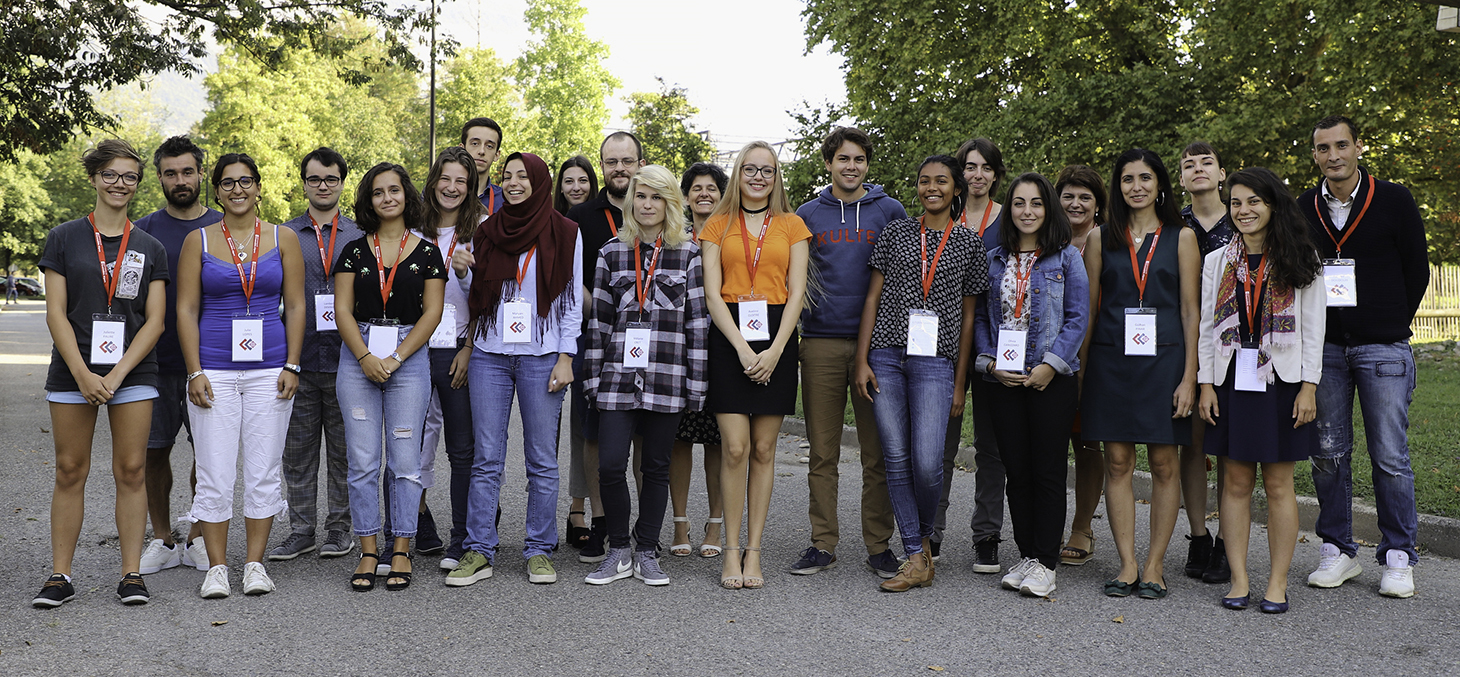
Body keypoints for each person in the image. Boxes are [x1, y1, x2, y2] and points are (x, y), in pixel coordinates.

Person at [33, 139, 169, 608]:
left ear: (136, 185)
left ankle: (131, 574)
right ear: (93, 178)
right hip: (74, 371)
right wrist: (84, 373)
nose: (120, 184)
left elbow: (155, 320)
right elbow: (55, 313)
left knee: (131, 470)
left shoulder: (149, 246)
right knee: (70, 470)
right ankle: (60, 576)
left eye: (130, 176)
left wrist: (115, 375)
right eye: (110, 174)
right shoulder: (64, 237)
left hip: (133, 373)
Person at [1299, 115, 1429, 598]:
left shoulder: (1393, 199)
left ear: (1358, 148)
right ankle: (1338, 550)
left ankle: (1398, 555)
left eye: (1341, 145)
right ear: (1314, 155)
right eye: (1322, 148)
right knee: (1328, 453)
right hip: (1326, 349)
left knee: (1389, 455)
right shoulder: (1303, 207)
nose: (1333, 155)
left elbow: (1417, 268)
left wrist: (1389, 320)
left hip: (1382, 345)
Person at [446, 152, 581, 587]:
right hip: (489, 353)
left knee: (542, 459)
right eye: (508, 176)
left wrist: (566, 355)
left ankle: (539, 548)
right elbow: (477, 295)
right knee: (487, 458)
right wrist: (464, 274)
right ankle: (479, 549)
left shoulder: (566, 232)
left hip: (542, 355)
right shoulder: (487, 231)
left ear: (540, 181)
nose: (515, 182)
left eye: (524, 176)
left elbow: (573, 303)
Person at [854, 154, 987, 592]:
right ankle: (915, 554)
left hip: (936, 361)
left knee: (928, 463)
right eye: (925, 180)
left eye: (942, 181)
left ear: (956, 188)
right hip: (887, 355)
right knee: (896, 458)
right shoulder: (896, 233)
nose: (932, 187)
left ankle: (923, 540)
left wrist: (960, 382)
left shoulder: (969, 243)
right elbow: (872, 298)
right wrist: (862, 359)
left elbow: (969, 319)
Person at [176, 153, 305, 598]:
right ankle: (216, 568)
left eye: (245, 181)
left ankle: (254, 563)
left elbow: (298, 305)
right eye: (228, 183)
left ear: (258, 187)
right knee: (213, 469)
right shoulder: (201, 241)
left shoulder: (283, 238)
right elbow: (186, 309)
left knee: (264, 469)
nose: (237, 190)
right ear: (217, 191)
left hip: (271, 369)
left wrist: (292, 363)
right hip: (214, 369)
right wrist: (194, 370)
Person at [1198, 167, 1325, 614]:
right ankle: (1239, 578)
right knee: (1234, 480)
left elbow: (1314, 329)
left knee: (1277, 483)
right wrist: (1206, 384)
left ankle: (1276, 582)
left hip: (1282, 382)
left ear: (1272, 205)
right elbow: (1207, 327)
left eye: (1253, 201)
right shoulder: (1218, 261)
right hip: (1233, 378)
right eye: (1235, 202)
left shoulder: (1300, 257)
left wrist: (1309, 386)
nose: (1244, 210)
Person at [1080, 149, 1200, 600]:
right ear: (1118, 186)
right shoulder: (1099, 239)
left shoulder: (1181, 237)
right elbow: (1090, 312)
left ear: (1160, 184)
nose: (1136, 186)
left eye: (1145, 178)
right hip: (1112, 363)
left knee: (1166, 463)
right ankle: (1127, 562)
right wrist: (1082, 373)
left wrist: (1190, 376)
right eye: (1128, 178)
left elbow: (1191, 313)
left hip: (1165, 363)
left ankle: (1155, 564)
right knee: (1117, 462)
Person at [582, 165, 709, 585]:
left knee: (656, 468)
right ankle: (618, 549)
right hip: (617, 378)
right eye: (641, 196)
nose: (648, 204)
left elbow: (697, 325)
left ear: (671, 202)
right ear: (631, 201)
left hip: (668, 378)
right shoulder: (610, 252)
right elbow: (598, 322)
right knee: (611, 465)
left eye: (657, 197)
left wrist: (697, 385)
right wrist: (592, 380)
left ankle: (647, 551)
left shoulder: (689, 254)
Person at [791, 127, 907, 579]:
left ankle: (879, 546)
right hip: (819, 342)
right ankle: (823, 543)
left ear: (867, 164)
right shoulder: (807, 214)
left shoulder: (890, 211)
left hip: (876, 348)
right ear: (828, 164)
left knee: (877, 453)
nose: (851, 166)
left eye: (859, 159)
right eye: (843, 159)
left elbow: (901, 276)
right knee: (822, 452)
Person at [701, 141, 811, 589]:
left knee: (765, 450)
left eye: (767, 170)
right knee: (735, 448)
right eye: (750, 169)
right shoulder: (717, 224)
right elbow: (712, 293)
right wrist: (744, 350)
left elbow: (797, 292)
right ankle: (729, 549)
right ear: (739, 173)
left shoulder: (793, 225)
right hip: (730, 336)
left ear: (776, 177)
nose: (759, 177)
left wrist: (774, 350)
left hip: (777, 336)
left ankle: (754, 551)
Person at [333, 163, 446, 592]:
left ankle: (401, 547)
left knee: (404, 462)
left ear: (406, 196)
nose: (387, 198)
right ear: (369, 201)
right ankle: (367, 550)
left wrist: (396, 357)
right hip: (358, 355)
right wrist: (364, 355)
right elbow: (341, 309)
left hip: (408, 357)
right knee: (362, 463)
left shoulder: (427, 252)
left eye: (394, 190)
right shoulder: (354, 251)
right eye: (378, 192)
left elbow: (432, 313)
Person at [974, 172, 1088, 597]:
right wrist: (989, 365)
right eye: (1019, 203)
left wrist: (1052, 365)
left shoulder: (1065, 257)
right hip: (1003, 377)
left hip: (1048, 379)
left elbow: (1078, 317)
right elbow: (985, 318)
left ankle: (1047, 562)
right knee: (1015, 471)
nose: (1027, 211)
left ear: (1049, 209)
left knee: (1047, 471)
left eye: (1036, 203)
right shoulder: (995, 258)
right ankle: (1026, 555)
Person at [269, 147, 364, 562]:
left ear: (343, 183)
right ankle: (301, 529)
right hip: (300, 358)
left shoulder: (360, 236)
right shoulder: (284, 234)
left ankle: (339, 529)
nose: (323, 186)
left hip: (348, 360)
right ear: (303, 183)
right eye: (314, 179)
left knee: (346, 451)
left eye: (330, 179)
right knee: (298, 452)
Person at [135, 135, 222, 575]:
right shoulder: (144, 229)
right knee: (154, 452)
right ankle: (162, 538)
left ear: (201, 174)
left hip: (212, 364)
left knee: (208, 455)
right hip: (154, 363)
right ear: (160, 178)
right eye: (171, 173)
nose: (180, 180)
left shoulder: (226, 226)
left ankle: (198, 537)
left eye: (187, 171)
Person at [564, 132, 645, 562]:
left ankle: (642, 528)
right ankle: (600, 522)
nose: (619, 169)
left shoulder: (655, 209)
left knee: (645, 435)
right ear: (603, 166)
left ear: (639, 162)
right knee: (593, 432)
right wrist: (595, 300)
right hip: (594, 336)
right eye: (611, 161)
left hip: (651, 342)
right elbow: (566, 274)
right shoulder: (581, 217)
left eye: (627, 160)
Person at [412, 147, 485, 570]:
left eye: (461, 181)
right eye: (446, 179)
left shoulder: (484, 230)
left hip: (460, 347)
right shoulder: (412, 228)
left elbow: (493, 297)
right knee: (413, 444)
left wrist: (470, 347)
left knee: (463, 450)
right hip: (417, 348)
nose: (452, 187)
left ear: (470, 186)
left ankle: (462, 536)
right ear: (434, 181)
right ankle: (410, 525)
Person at [937, 137, 1006, 569]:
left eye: (985, 167)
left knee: (991, 448)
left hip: (999, 346)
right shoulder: (944, 219)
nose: (976, 175)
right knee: (940, 444)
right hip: (948, 344)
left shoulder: (1010, 220)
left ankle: (987, 536)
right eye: (969, 167)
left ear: (996, 174)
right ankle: (932, 531)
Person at [1177, 141, 1237, 584]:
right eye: (1188, 164)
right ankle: (1199, 536)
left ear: (1221, 174)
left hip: (1238, 346)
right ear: (1180, 179)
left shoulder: (1244, 219)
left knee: (1230, 446)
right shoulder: (1173, 226)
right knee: (1193, 444)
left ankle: (1225, 542)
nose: (1198, 169)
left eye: (1206, 163)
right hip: (1187, 343)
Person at [668, 161, 729, 558]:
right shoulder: (673, 239)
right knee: (679, 439)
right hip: (681, 351)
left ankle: (715, 526)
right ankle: (680, 524)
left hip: (723, 347)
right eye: (696, 188)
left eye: (712, 188)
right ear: (686, 195)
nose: (704, 194)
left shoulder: (735, 236)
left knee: (719, 442)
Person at [1054, 164, 1106, 567]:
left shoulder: (1111, 243)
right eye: (1068, 195)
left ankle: (1082, 527)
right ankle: (1047, 525)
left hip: (1099, 356)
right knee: (1050, 445)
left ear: (1098, 205)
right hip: (1052, 357)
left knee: (1088, 445)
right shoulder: (1044, 242)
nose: (1075, 203)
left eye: (1085, 197)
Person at [554, 153, 598, 548]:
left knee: (585, 425)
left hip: (593, 332)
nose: (576, 187)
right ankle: (552, 512)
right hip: (551, 333)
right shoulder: (552, 223)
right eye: (568, 180)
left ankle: (579, 509)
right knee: (547, 428)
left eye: (583, 180)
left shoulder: (599, 218)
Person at [461, 117, 505, 214]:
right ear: (462, 149)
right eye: (475, 143)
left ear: (496, 155)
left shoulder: (505, 200)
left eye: (489, 146)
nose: (481, 151)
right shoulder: (443, 194)